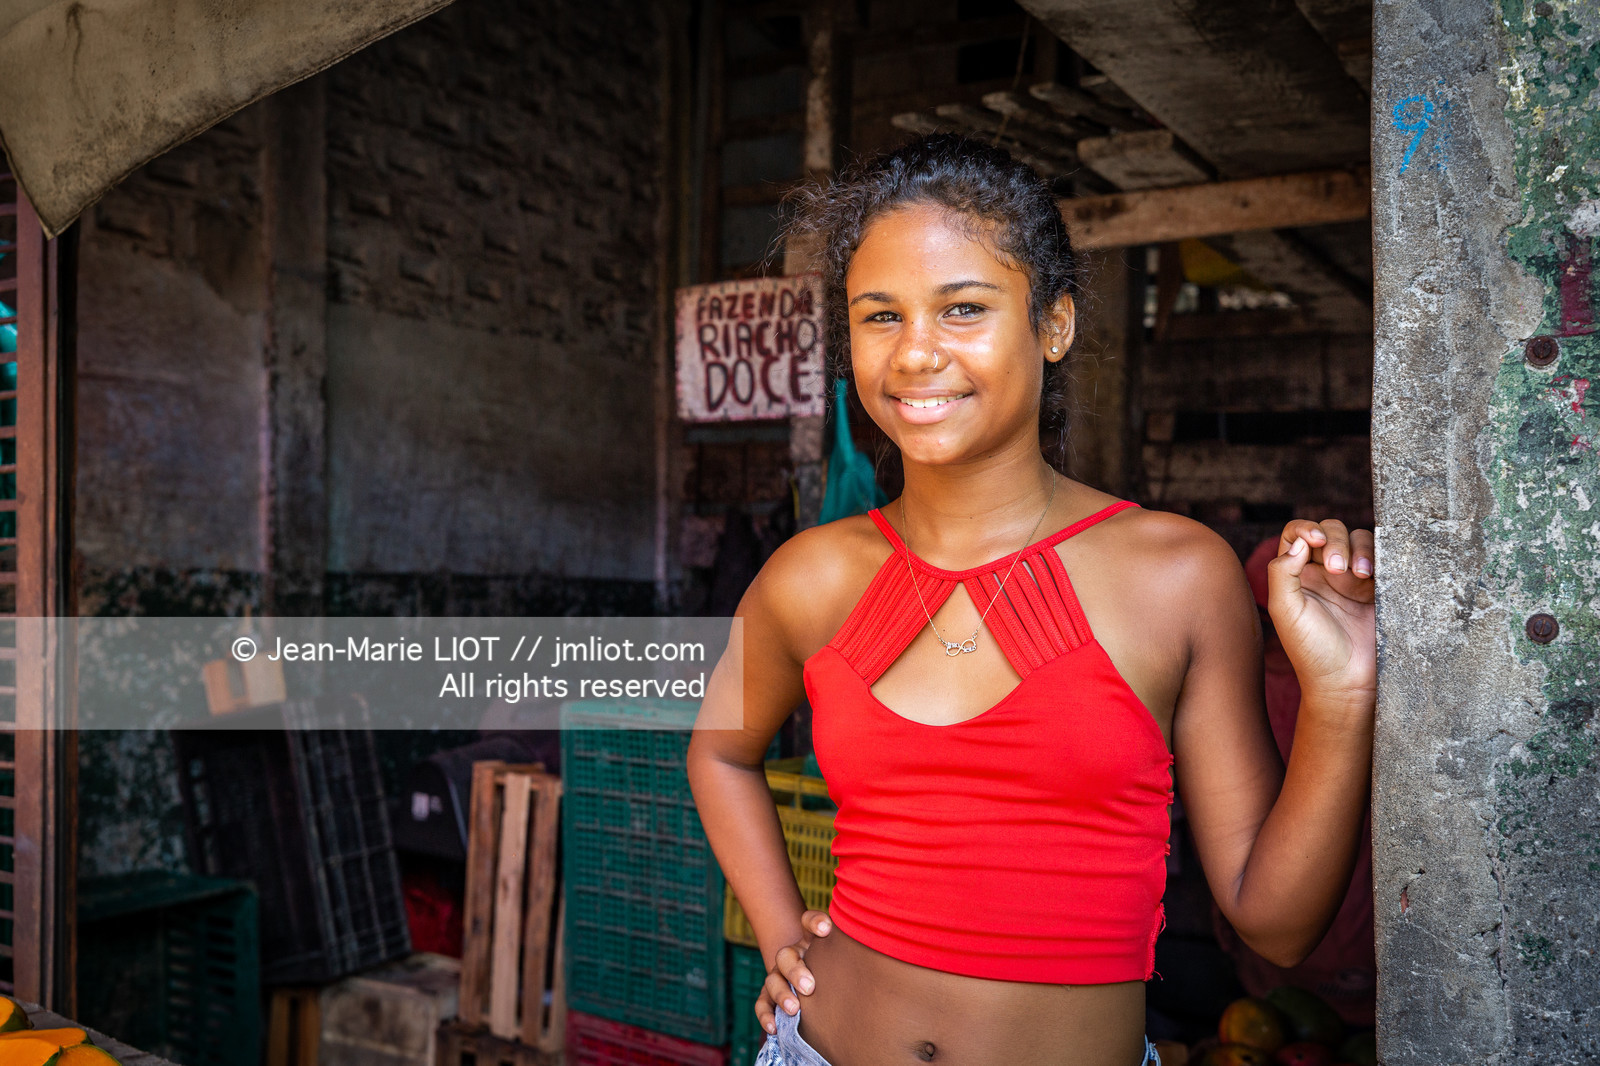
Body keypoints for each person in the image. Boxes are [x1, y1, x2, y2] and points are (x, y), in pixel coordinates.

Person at [686, 135, 1376, 1066]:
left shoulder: (1178, 574)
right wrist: (779, 933)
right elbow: (719, 751)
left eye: (963, 308)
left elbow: (1276, 926)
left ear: (1052, 325)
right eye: (879, 315)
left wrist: (1338, 698)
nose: (916, 352)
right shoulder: (808, 577)